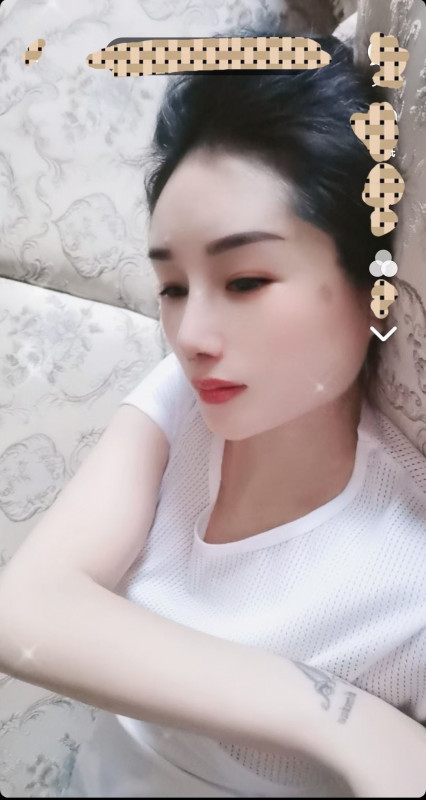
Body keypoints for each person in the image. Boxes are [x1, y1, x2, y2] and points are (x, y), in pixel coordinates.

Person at [0, 26, 425, 799]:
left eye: (245, 280)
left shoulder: (407, 574)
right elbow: (25, 609)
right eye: (172, 287)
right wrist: (334, 716)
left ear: (373, 286)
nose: (190, 335)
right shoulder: (180, 402)